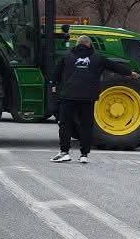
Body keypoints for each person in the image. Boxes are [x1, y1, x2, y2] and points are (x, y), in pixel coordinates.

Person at [50, 35, 129, 164]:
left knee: (65, 124)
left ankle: (64, 152)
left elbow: (55, 74)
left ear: (77, 44)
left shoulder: (67, 56)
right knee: (86, 125)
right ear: (89, 44)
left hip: (69, 96)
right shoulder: (98, 58)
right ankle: (84, 155)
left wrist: (54, 87)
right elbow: (115, 67)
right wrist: (130, 73)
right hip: (88, 97)